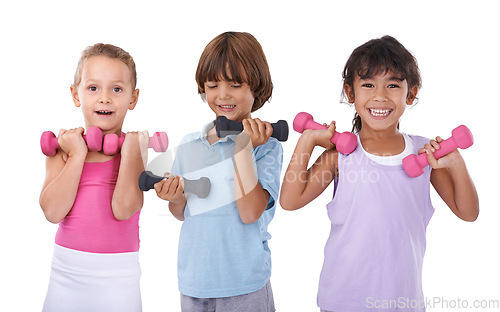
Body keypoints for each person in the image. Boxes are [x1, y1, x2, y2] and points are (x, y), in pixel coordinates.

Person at [280, 35, 479, 312]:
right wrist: (307, 141)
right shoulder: (339, 156)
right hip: (341, 302)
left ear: (411, 93)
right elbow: (290, 201)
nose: (380, 96)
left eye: (393, 85)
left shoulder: (425, 154)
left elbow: (468, 213)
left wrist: (456, 163)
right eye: (368, 84)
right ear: (351, 93)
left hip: (403, 302)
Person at [154, 31, 282, 312]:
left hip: (244, 285)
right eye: (212, 85)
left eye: (235, 84)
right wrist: (175, 198)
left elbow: (250, 213)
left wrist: (243, 148)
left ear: (256, 89)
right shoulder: (189, 144)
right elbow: (183, 211)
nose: (222, 95)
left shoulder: (267, 147)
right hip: (194, 283)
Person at [40, 43, 149, 312]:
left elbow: (124, 209)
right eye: (93, 88)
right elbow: (52, 212)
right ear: (75, 95)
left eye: (116, 89)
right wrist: (77, 156)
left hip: (119, 277)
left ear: (133, 98)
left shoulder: (135, 147)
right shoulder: (63, 147)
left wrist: (131, 154)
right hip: (67, 273)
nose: (104, 98)